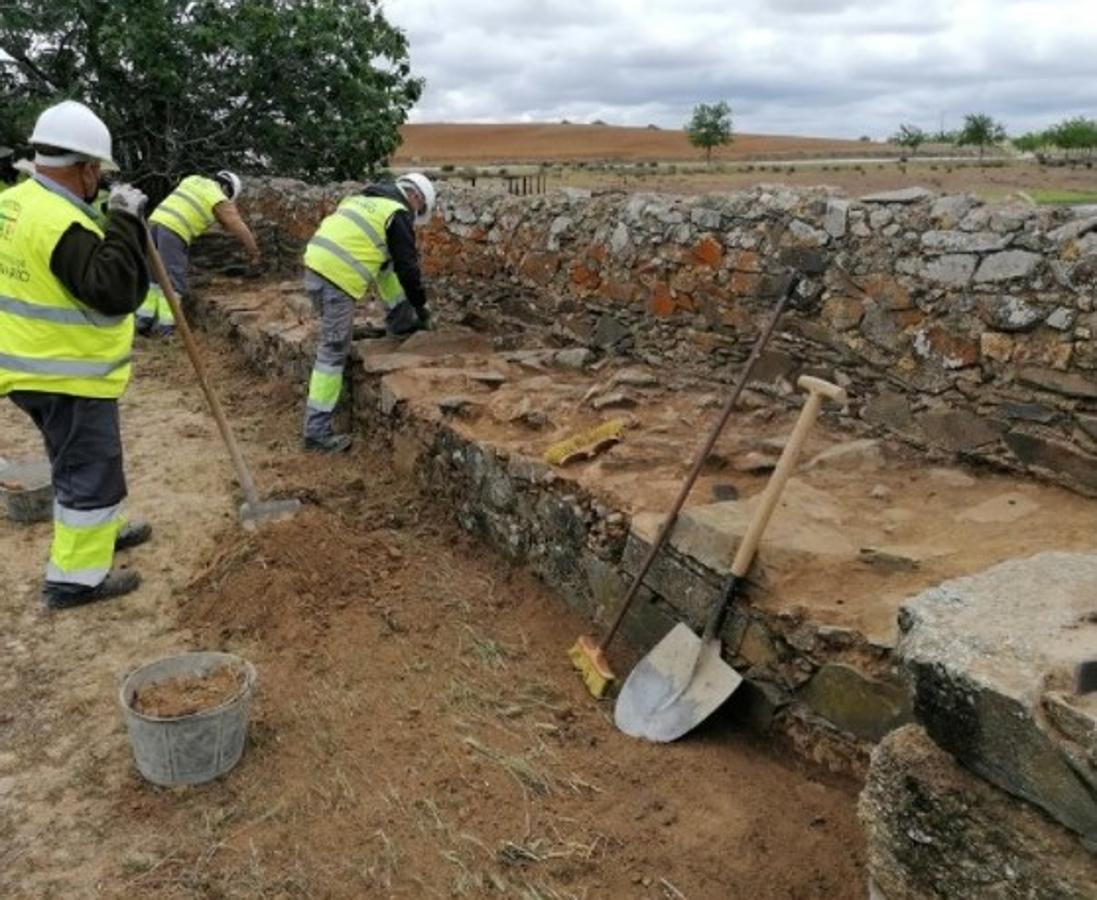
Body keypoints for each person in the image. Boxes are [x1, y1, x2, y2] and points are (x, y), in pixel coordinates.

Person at [0, 100, 152, 609]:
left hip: (28, 364)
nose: (99, 183)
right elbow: (112, 289)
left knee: (73, 462)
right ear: (85, 168)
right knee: (91, 470)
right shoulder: (57, 222)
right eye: (97, 173)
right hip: (67, 373)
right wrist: (126, 222)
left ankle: (102, 532)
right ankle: (75, 581)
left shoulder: (14, 204)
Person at [300, 172, 436, 452]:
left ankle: (399, 322)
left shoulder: (364, 199)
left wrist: (403, 319)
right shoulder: (397, 213)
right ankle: (316, 433)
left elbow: (387, 273)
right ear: (416, 197)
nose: (415, 216)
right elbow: (408, 270)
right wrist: (421, 306)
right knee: (332, 352)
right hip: (336, 278)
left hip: (314, 267)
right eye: (418, 210)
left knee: (336, 337)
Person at [136, 170, 261, 336]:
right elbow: (236, 224)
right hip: (174, 230)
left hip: (153, 225)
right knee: (174, 282)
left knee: (153, 278)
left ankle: (143, 320)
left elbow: (193, 207)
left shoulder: (192, 179)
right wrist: (254, 252)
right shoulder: (217, 196)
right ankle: (166, 329)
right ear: (227, 188)